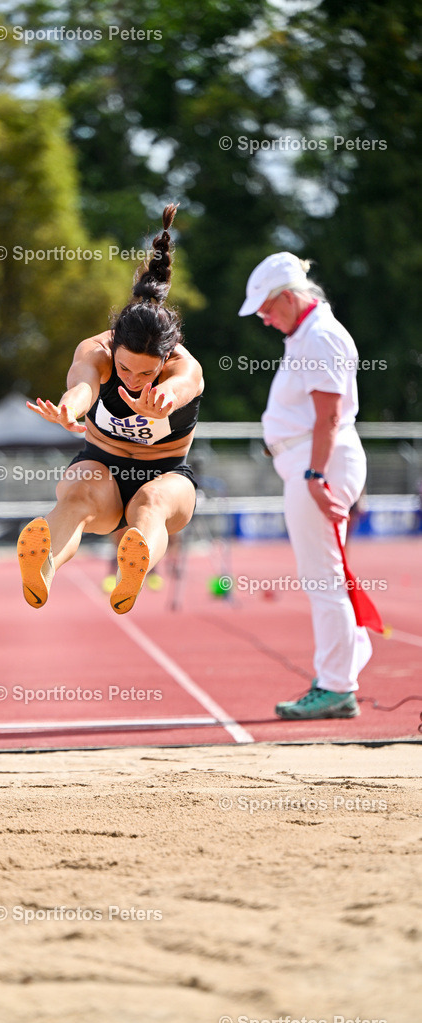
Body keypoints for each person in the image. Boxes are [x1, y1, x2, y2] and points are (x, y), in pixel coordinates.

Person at [17, 203, 204, 614]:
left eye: (146, 373)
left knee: (150, 502)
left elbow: (181, 388)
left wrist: (163, 402)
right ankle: (42, 566)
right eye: (124, 369)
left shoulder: (183, 367)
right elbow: (82, 386)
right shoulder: (95, 350)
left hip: (167, 473)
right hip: (101, 463)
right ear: (113, 345)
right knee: (79, 491)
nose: (134, 380)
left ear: (166, 357)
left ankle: (132, 572)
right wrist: (69, 410)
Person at [238, 252, 370, 719]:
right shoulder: (308, 333)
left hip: (319, 465)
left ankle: (337, 686)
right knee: (326, 577)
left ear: (290, 298)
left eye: (268, 309)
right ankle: (340, 674)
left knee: (324, 579)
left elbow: (329, 414)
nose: (265, 319)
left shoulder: (320, 336)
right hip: (313, 462)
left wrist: (314, 474)